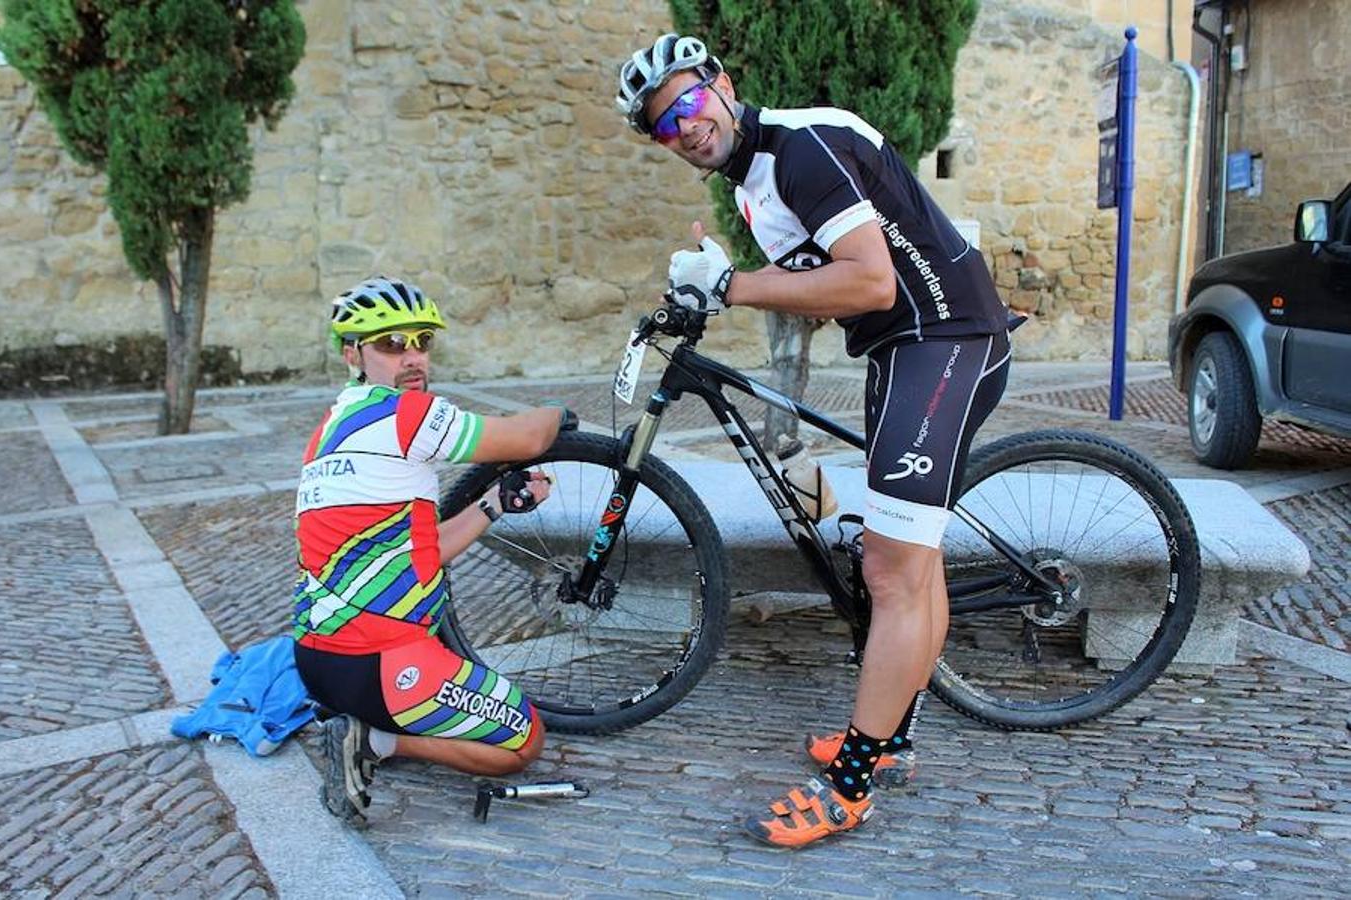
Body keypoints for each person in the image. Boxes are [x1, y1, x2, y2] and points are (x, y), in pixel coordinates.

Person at [615, 35, 1012, 847]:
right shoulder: (755, 186)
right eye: (664, 129)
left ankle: (852, 782)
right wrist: (726, 283)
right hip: (904, 351)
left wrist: (731, 286)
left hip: (944, 344)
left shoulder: (801, 146)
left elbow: (870, 280)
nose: (684, 130)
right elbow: (828, 295)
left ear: (722, 86)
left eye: (688, 105)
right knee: (911, 561)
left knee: (890, 571)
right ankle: (892, 738)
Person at [293, 275, 573, 820]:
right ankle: (373, 743)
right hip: (381, 659)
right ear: (353, 354)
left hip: (318, 660)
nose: (412, 357)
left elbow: (421, 551)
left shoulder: (330, 427)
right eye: (391, 345)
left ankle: (366, 722)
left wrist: (493, 504)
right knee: (524, 743)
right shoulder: (403, 415)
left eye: (422, 341)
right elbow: (529, 438)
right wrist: (562, 413)